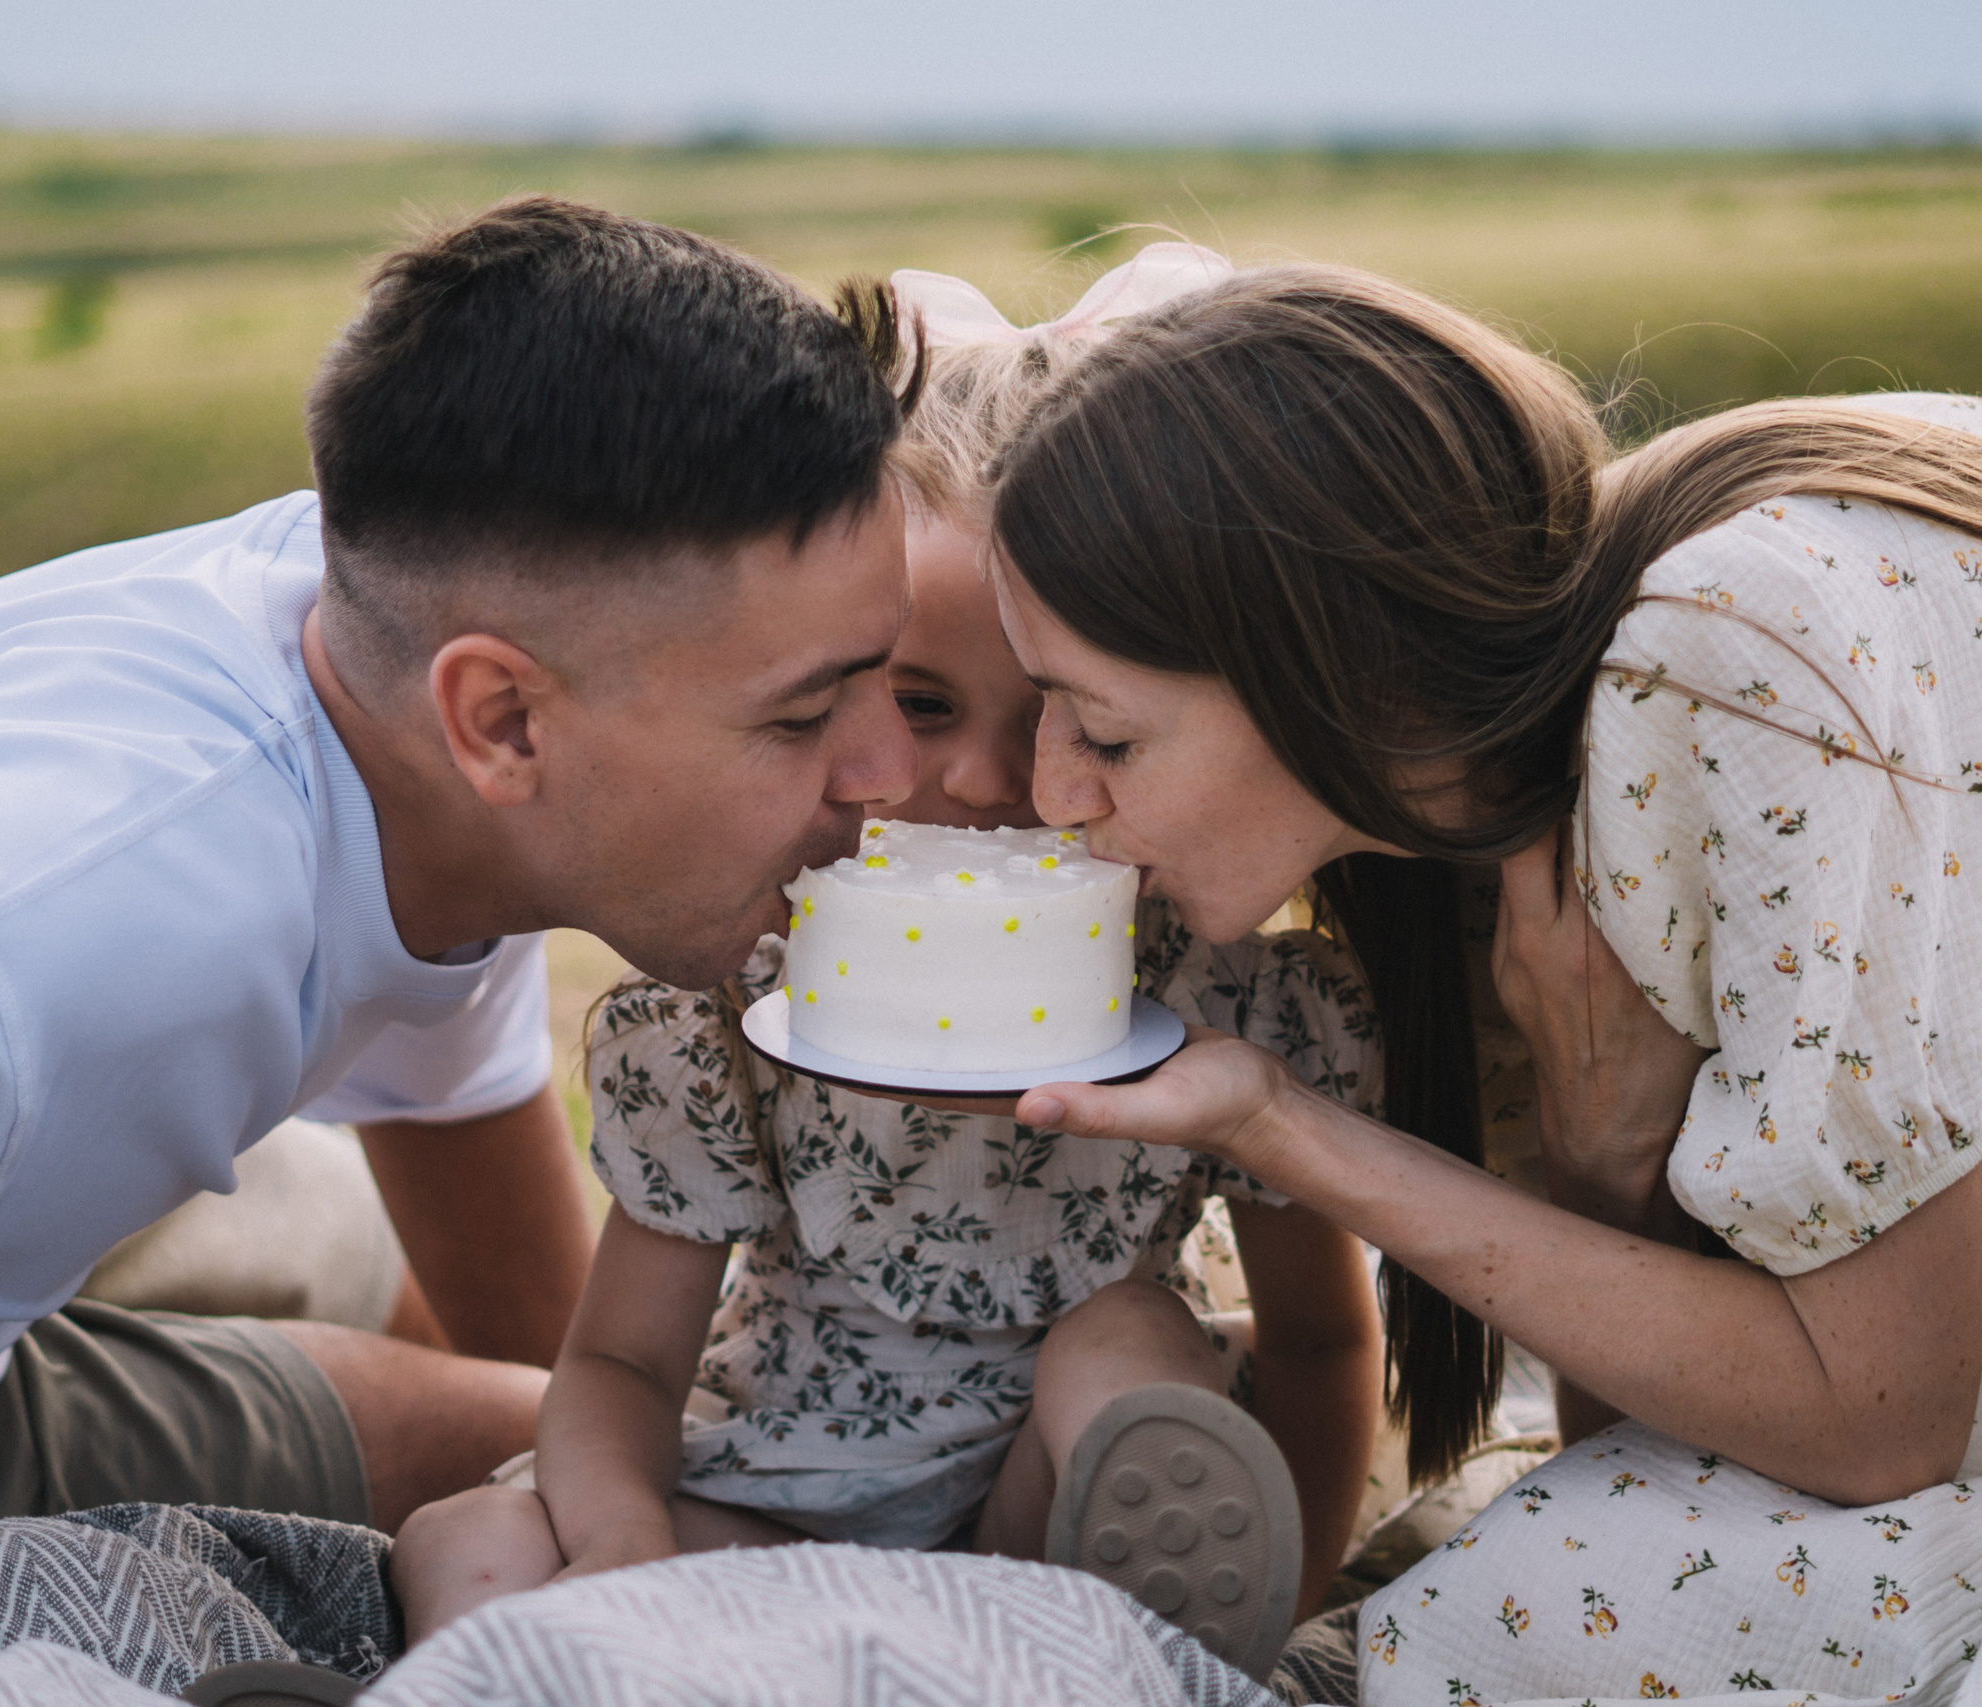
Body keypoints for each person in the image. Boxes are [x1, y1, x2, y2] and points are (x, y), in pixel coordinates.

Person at [0, 192, 919, 1698]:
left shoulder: (399, 663)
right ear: (502, 722)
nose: (887, 774)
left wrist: (601, 1482)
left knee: (551, 1449)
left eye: (888, 684)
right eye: (803, 716)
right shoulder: (48, 936)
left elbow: (475, 1172)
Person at [970, 263, 1982, 1701]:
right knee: (1615, 1569)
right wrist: (1603, 1167)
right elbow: (1656, 1432)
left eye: (1106, 736)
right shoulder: (1510, 814)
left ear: (1338, 678)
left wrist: (1278, 1124)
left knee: (1642, 1598)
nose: (1054, 793)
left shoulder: (1735, 669)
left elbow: (1875, 1424)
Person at [386, 260, 1380, 1679]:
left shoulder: (1225, 1002)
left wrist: (1285, 1624)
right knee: (467, 1535)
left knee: (1124, 1336)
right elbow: (619, 1365)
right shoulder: (737, 1003)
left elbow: (1323, 1344)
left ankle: (1155, 1648)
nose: (984, 777)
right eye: (920, 702)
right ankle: (512, 1676)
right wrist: (620, 1543)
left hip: (1041, 1531)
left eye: (1063, 714)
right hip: (779, 1509)